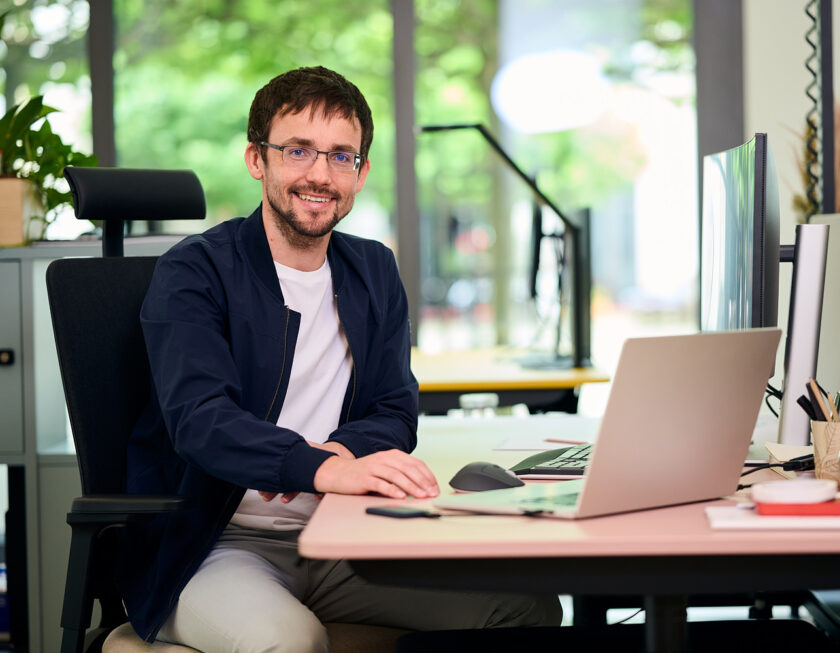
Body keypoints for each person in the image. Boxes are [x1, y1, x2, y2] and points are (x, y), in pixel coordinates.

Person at [120, 66, 561, 651]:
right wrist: (315, 467)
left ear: (362, 171)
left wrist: (340, 455)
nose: (320, 175)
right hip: (214, 544)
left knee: (526, 607)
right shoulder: (195, 271)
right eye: (298, 150)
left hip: (341, 531)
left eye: (341, 156)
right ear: (257, 159)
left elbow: (395, 407)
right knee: (292, 643)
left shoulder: (373, 268)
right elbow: (201, 421)